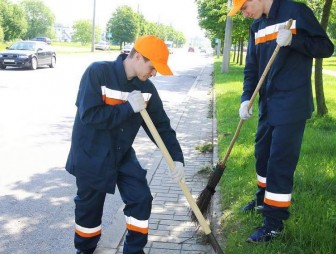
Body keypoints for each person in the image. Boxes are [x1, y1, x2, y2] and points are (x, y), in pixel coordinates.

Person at [65, 35, 185, 254]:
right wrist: (128, 107)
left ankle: (134, 251)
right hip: (91, 154)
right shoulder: (97, 73)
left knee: (141, 198)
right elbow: (90, 115)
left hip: (122, 154)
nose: (154, 73)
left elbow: (161, 127)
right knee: (89, 212)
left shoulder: (147, 89)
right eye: (152, 67)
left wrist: (176, 157)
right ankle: (85, 250)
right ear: (138, 56)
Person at [227, 0, 334, 243]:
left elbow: (326, 47)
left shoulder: (295, 12)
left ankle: (274, 223)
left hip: (292, 104)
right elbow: (251, 68)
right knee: (261, 154)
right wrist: (246, 99)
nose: (244, 15)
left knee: (279, 163)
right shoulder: (257, 26)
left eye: (244, 8)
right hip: (267, 102)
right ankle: (263, 198)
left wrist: (294, 41)